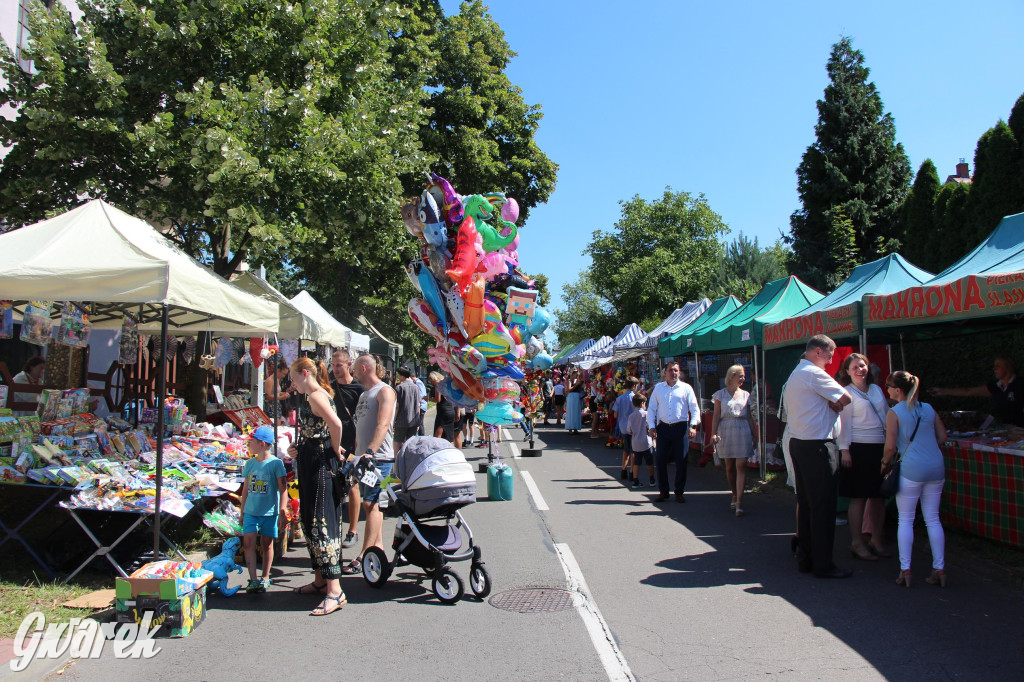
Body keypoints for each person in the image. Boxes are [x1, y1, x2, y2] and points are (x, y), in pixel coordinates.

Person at [782, 335, 853, 579]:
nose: (831, 360)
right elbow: (846, 397)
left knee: (808, 505)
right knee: (822, 508)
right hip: (817, 445)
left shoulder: (796, 373)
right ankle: (823, 564)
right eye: (830, 355)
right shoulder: (813, 373)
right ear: (818, 352)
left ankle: (807, 558)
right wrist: (836, 405)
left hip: (800, 443)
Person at [287, 357, 347, 615]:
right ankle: (321, 581)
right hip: (313, 459)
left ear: (303, 373)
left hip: (320, 462)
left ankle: (335, 591)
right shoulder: (315, 393)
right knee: (311, 517)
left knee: (321, 521)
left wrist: (334, 448)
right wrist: (297, 447)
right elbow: (320, 428)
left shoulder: (315, 396)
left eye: (292, 379)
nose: (291, 384)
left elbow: (336, 424)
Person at [884, 371, 948, 588]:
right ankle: (939, 567)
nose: (887, 389)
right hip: (935, 467)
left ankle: (906, 569)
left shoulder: (895, 412)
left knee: (906, 519)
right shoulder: (928, 408)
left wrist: (884, 464)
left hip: (911, 469)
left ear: (898, 390)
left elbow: (891, 446)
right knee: (933, 518)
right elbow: (943, 437)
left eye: (889, 386)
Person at [836, 353, 891, 561]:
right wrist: (845, 450)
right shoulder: (846, 392)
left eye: (863, 366)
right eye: (855, 367)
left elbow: (886, 417)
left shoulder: (876, 389)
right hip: (858, 448)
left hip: (879, 448)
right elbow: (843, 424)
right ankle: (857, 542)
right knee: (858, 497)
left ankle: (876, 539)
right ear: (848, 372)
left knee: (878, 498)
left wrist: (891, 446)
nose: (860, 370)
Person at [348, 354, 396, 576]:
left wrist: (370, 452)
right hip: (364, 458)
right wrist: (356, 453)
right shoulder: (364, 394)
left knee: (372, 503)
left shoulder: (385, 391)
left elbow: (383, 424)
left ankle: (364, 553)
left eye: (354, 368)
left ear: (364, 368)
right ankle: (378, 551)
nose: (352, 371)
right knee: (370, 505)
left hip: (380, 459)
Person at [239, 425, 288, 593]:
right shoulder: (249, 464)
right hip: (251, 512)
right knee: (248, 543)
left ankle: (265, 576)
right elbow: (245, 489)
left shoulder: (276, 463)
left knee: (267, 544)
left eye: (251, 441)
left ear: (261, 444)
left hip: (269, 512)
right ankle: (253, 579)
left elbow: (283, 489)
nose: (248, 444)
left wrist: (282, 510)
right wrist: (242, 511)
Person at [646, 361, 700, 503]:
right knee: (660, 459)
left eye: (676, 370)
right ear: (665, 373)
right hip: (663, 428)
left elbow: (694, 408)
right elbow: (651, 409)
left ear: (679, 373)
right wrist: (651, 426)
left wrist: (693, 426)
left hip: (680, 427)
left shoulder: (686, 388)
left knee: (681, 460)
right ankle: (663, 491)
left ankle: (679, 492)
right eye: (671, 370)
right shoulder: (658, 388)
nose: (673, 373)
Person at [711, 364, 757, 517]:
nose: (743, 378)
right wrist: (713, 433)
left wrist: (754, 433)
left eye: (744, 376)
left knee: (741, 465)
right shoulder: (720, 395)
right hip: (726, 430)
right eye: (741, 375)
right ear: (732, 376)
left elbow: (749, 416)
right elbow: (716, 416)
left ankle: (739, 503)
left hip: (742, 429)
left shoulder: (746, 395)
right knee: (729, 467)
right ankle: (734, 493)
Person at [330, 348, 364, 550]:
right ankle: (334, 529)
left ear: (348, 365)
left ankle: (353, 530)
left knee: (352, 486)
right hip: (334, 442)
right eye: (333, 365)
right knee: (334, 485)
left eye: (339, 365)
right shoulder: (330, 388)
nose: (335, 369)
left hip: (353, 443)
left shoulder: (359, 389)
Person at [930, 356, 1023, 426]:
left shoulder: (1020, 384)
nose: (994, 369)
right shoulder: (996, 386)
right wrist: (942, 391)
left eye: (998, 366)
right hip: (1007, 429)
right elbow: (968, 391)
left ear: (1008, 367)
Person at [626, 393, 656, 488]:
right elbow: (651, 426)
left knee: (637, 462)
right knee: (649, 462)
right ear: (642, 403)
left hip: (635, 443)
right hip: (646, 442)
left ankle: (635, 480)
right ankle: (651, 479)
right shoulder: (647, 414)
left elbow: (629, 430)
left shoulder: (631, 416)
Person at [612, 378, 638, 480]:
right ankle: (632, 471)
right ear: (634, 386)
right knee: (634, 451)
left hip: (623, 427)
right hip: (634, 427)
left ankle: (623, 470)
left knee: (626, 449)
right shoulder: (636, 398)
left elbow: (615, 415)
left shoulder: (619, 399)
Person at [393, 367, 422, 450]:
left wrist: (394, 420)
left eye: (398, 375)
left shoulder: (399, 388)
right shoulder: (416, 387)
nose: (398, 376)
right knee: (410, 442)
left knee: (398, 441)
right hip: (413, 420)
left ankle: (397, 459)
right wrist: (418, 420)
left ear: (402, 376)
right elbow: (418, 405)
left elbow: (397, 406)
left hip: (401, 420)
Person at [430, 371, 459, 441]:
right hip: (450, 410)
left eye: (431, 380)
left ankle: (438, 449)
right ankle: (451, 449)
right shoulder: (446, 384)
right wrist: (457, 412)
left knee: (437, 435)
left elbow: (438, 399)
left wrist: (427, 398)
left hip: (443, 411)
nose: (431, 382)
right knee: (449, 435)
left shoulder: (438, 384)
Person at [263, 358, 295, 423]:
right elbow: (267, 396)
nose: (284, 376)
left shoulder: (278, 379)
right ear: (278, 370)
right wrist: (281, 397)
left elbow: (276, 392)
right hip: (271, 407)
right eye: (283, 374)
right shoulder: (270, 380)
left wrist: (284, 393)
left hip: (277, 405)